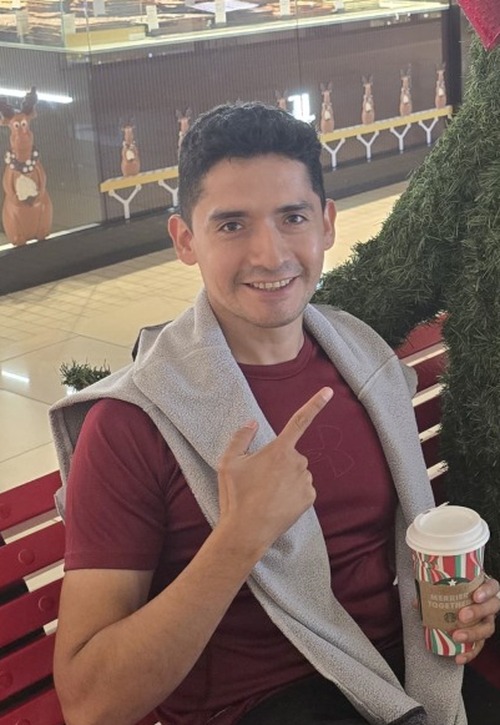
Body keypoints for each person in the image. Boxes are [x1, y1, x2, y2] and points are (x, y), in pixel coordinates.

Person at [49, 102, 500, 725]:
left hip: (401, 678)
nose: (269, 254)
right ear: (185, 240)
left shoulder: (363, 361)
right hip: (256, 705)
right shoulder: (131, 426)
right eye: (232, 225)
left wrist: (461, 605)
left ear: (327, 223)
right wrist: (238, 540)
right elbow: (89, 703)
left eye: (293, 217)